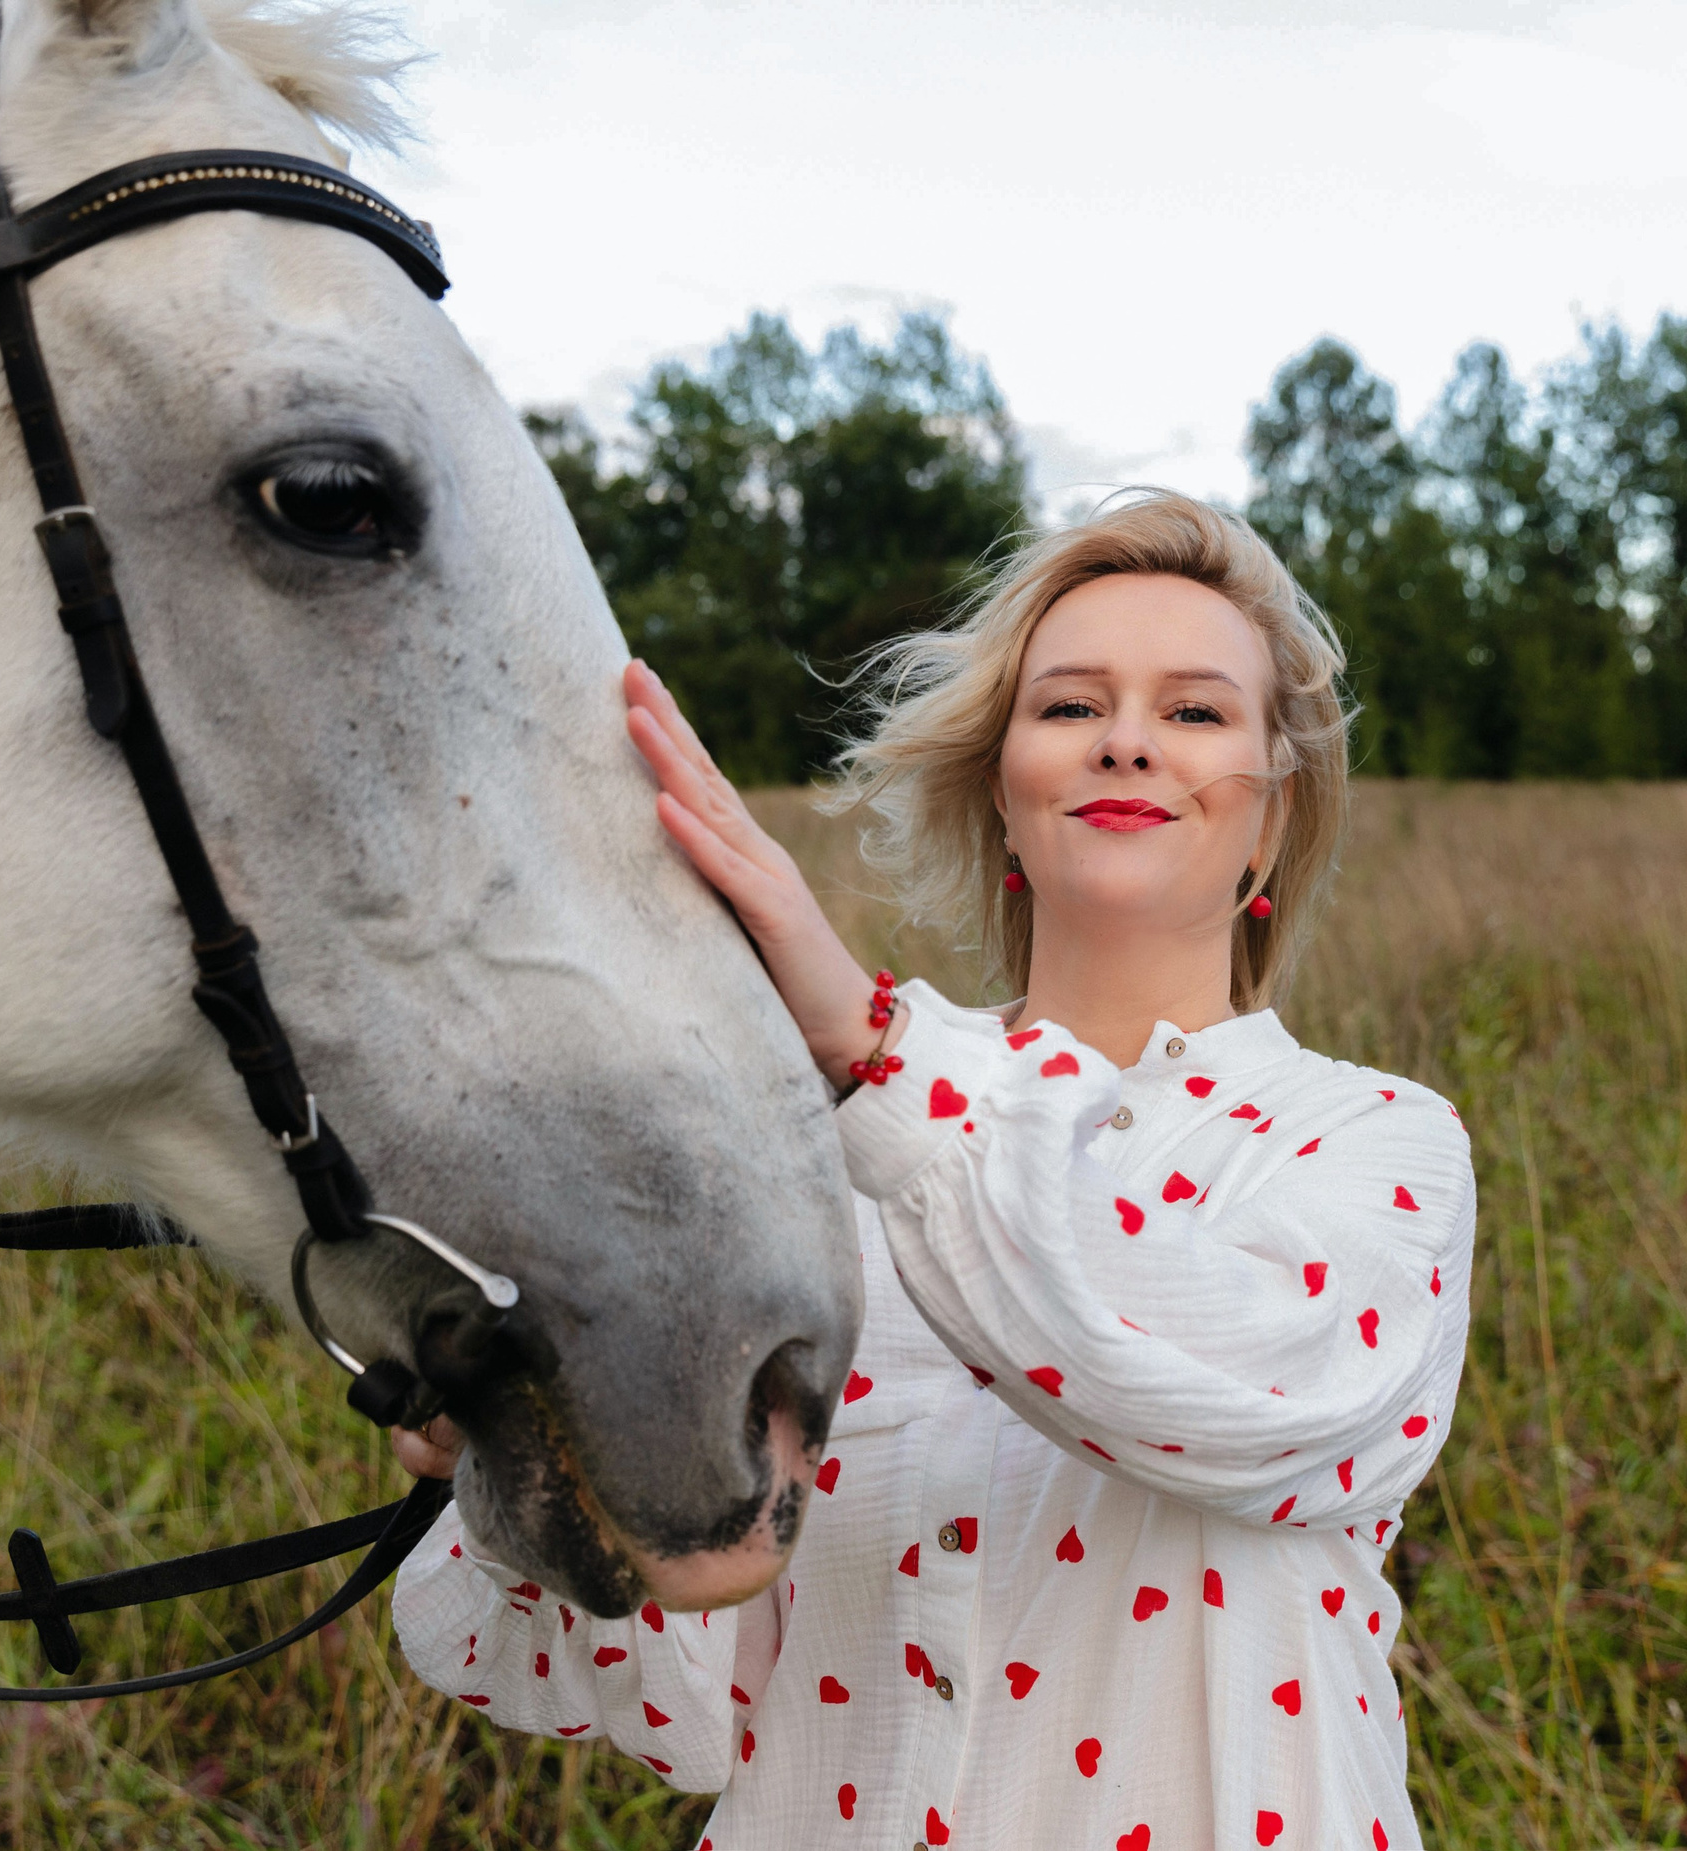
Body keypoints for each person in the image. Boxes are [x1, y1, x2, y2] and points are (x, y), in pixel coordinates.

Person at [388, 490, 1475, 1850]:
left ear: (1273, 813)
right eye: (1071, 707)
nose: (1127, 740)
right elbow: (687, 1702)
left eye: (1196, 713)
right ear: (1000, 794)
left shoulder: (1371, 1148)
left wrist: (871, 1052)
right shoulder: (816, 1181)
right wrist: (522, 1464)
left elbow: (1227, 1387)